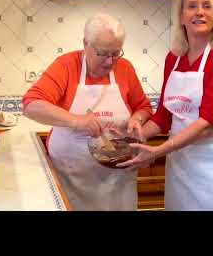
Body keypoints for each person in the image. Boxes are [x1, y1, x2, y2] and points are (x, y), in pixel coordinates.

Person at [117, 0, 213, 211]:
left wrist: (158, 151)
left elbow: (207, 125)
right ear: (181, 17)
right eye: (192, 6)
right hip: (181, 162)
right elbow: (163, 117)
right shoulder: (175, 58)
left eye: (207, 6)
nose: (200, 11)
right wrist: (133, 137)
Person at [22, 13, 152, 211]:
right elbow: (31, 105)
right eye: (103, 53)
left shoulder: (124, 69)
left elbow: (143, 107)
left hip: (118, 182)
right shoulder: (66, 66)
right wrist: (76, 121)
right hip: (72, 180)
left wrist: (137, 119)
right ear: (86, 44)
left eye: (116, 53)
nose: (110, 62)